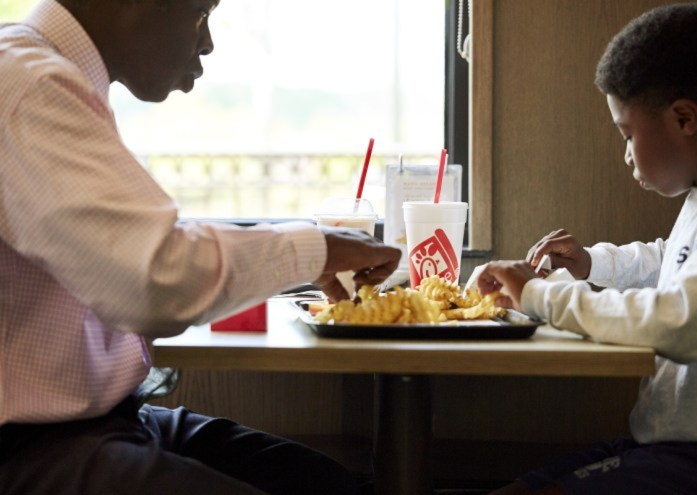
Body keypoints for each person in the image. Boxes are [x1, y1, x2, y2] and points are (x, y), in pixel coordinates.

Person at [0, 0, 401, 494]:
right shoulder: (27, 83)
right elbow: (151, 281)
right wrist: (312, 249)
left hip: (102, 422)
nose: (206, 40)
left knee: (325, 484)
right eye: (199, 12)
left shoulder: (43, 74)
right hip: (27, 446)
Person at [478, 4, 697, 495]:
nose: (624, 153)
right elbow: (673, 261)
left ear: (684, 118)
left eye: (627, 132)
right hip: (666, 444)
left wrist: (541, 295)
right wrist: (593, 263)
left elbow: (681, 321)